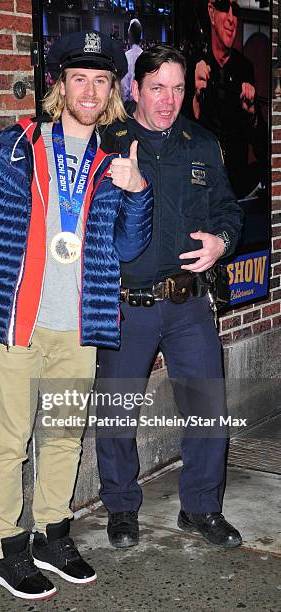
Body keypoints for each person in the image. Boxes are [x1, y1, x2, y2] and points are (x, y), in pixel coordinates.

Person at [0, 31, 153, 601]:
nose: (90, 89)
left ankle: (54, 536)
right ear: (60, 86)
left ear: (111, 95)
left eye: (101, 80)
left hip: (78, 326)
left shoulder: (113, 165)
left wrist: (137, 193)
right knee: (10, 442)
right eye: (79, 77)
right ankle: (7, 547)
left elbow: (129, 248)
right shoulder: (14, 148)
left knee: (62, 437)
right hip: (17, 321)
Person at [95, 45, 244, 552]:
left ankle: (201, 508)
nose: (169, 99)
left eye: (178, 88)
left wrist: (223, 239)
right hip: (125, 304)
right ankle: (120, 507)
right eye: (158, 87)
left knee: (208, 408)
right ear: (135, 88)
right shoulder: (106, 142)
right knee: (117, 411)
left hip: (189, 304)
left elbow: (229, 207)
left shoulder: (201, 143)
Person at [189, 0, 267, 199]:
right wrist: (196, 98)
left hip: (236, 192)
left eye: (236, 11)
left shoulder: (244, 68)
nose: (232, 19)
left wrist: (252, 115)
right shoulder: (193, 65)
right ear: (211, 12)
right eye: (224, 7)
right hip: (199, 189)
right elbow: (178, 139)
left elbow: (262, 148)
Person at [120, 19, 143, 102]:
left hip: (129, 105)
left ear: (130, 35)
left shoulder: (126, 57)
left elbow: (124, 86)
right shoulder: (144, 56)